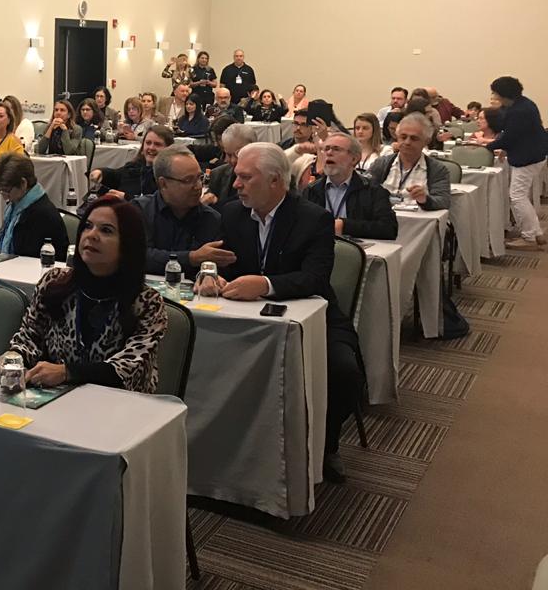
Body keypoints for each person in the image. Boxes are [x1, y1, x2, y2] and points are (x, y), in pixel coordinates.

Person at [209, 143, 364, 481]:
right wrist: (211, 276)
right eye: (236, 176)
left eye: (245, 177)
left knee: (343, 370)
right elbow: (219, 262)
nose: (236, 184)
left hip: (315, 314)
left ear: (275, 180)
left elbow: (315, 278)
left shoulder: (313, 218)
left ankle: (326, 445)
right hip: (242, 315)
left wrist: (265, 284)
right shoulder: (232, 213)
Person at [5, 197, 166, 391]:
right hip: (59, 398)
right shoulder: (53, 283)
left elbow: (126, 369)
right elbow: (29, 337)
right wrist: (13, 359)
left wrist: (66, 372)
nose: (92, 235)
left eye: (106, 230)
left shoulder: (147, 303)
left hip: (121, 402)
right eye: (87, 226)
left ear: (128, 244)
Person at [135, 146, 234, 278]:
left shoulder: (212, 219)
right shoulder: (140, 211)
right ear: (163, 184)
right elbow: (137, 257)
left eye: (200, 178)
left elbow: (219, 267)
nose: (198, 186)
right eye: (188, 180)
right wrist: (191, 258)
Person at [487, 76, 548, 250]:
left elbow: (510, 136)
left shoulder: (519, 111)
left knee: (517, 196)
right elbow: (516, 133)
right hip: (533, 153)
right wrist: (504, 148)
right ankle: (536, 233)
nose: (493, 96)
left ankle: (529, 237)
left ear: (503, 94)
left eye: (495, 93)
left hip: (528, 156)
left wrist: (488, 147)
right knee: (519, 195)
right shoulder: (524, 104)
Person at [304, 131, 398, 239]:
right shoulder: (311, 190)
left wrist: (345, 226)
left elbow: (389, 229)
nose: (329, 153)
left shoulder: (372, 190)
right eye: (326, 149)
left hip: (357, 248)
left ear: (354, 159)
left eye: (336, 149)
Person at [0, 154, 69, 260]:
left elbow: (27, 258)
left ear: (23, 183)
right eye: (1, 190)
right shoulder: (16, 207)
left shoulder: (42, 215)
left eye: (6, 190)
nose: (4, 196)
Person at [366, 113, 451, 210]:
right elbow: (364, 190)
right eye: (403, 137)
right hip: (384, 216)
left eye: (414, 138)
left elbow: (443, 201)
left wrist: (425, 199)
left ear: (426, 141)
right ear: (397, 137)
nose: (407, 142)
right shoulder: (382, 163)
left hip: (419, 218)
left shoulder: (437, 169)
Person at [91, 125, 175, 200]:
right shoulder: (135, 166)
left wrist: (126, 198)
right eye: (148, 143)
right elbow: (117, 174)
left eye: (157, 144)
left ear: (168, 148)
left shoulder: (168, 177)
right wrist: (101, 172)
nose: (151, 148)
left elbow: (155, 202)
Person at [202, 123, 254, 211]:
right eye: (229, 155)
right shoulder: (216, 175)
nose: (233, 160)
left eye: (238, 154)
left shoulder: (263, 178)